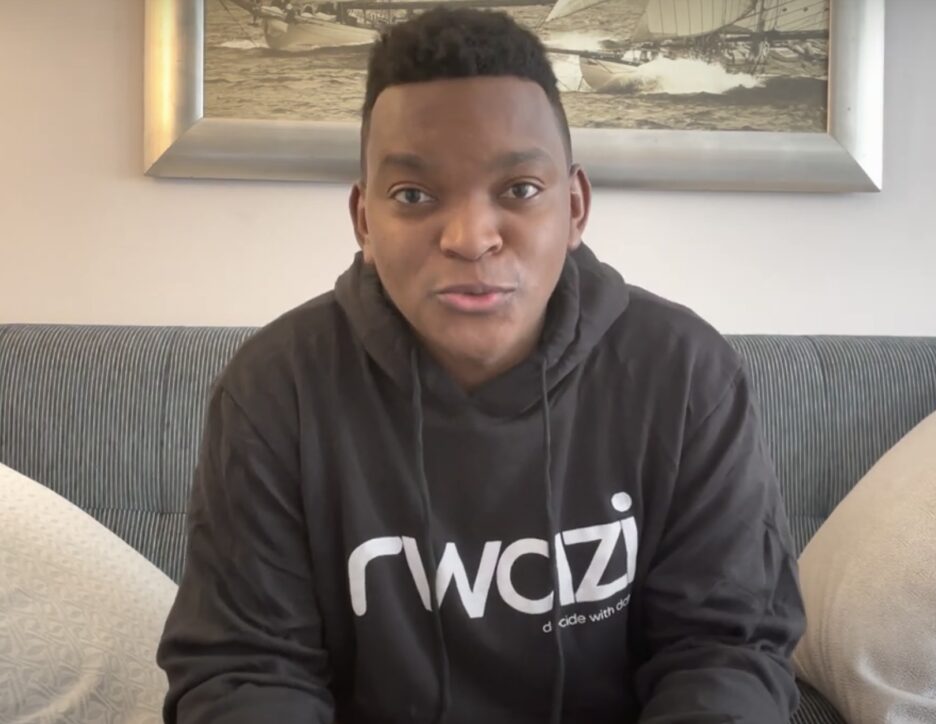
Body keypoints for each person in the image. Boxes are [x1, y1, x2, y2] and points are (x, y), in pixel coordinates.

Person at [157, 7, 806, 724]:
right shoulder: (276, 389)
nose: (470, 238)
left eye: (519, 189)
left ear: (575, 206)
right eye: (413, 196)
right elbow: (249, 669)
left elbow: (724, 650)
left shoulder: (684, 375)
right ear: (365, 220)